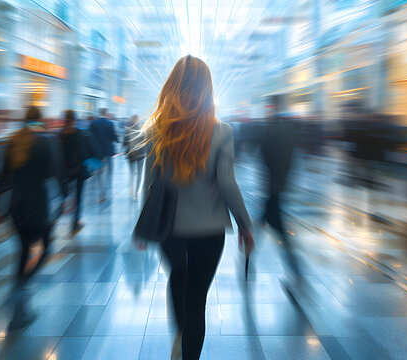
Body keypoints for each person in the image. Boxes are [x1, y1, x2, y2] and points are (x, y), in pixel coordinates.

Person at [142, 55, 253, 360]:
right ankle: (188, 349)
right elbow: (228, 185)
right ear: (208, 89)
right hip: (209, 230)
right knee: (197, 299)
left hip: (169, 228)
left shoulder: (157, 132)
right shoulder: (222, 132)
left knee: (178, 278)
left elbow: (149, 186)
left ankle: (180, 334)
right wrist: (245, 225)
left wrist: (143, 227)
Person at [0, 106, 66, 331]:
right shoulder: (46, 141)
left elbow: (1, 178)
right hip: (39, 206)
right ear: (40, 120)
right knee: (46, 249)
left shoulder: (12, 141)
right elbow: (55, 173)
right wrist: (65, 198)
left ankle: (18, 315)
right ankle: (18, 290)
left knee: (23, 251)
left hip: (16, 208)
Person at [259, 96, 301, 291]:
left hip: (272, 187)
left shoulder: (272, 129)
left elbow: (264, 155)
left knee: (278, 230)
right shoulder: (289, 130)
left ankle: (296, 272)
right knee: (269, 226)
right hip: (278, 186)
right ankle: (247, 263)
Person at [59, 109, 86, 235]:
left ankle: (53, 222)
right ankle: (75, 223)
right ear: (75, 120)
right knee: (78, 197)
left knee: (62, 197)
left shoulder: (59, 135)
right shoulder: (78, 134)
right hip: (78, 171)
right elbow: (83, 152)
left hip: (63, 172)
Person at [89, 108, 118, 202]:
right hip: (108, 151)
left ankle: (101, 192)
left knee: (99, 172)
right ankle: (105, 191)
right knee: (110, 171)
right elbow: (114, 137)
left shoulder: (93, 123)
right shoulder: (110, 123)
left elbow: (90, 137)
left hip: (97, 152)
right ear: (106, 113)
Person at [124, 115, 146, 199]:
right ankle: (136, 192)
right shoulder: (142, 129)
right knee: (140, 174)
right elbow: (145, 142)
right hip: (140, 154)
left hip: (131, 154)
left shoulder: (127, 130)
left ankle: (131, 188)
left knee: (132, 173)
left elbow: (124, 142)